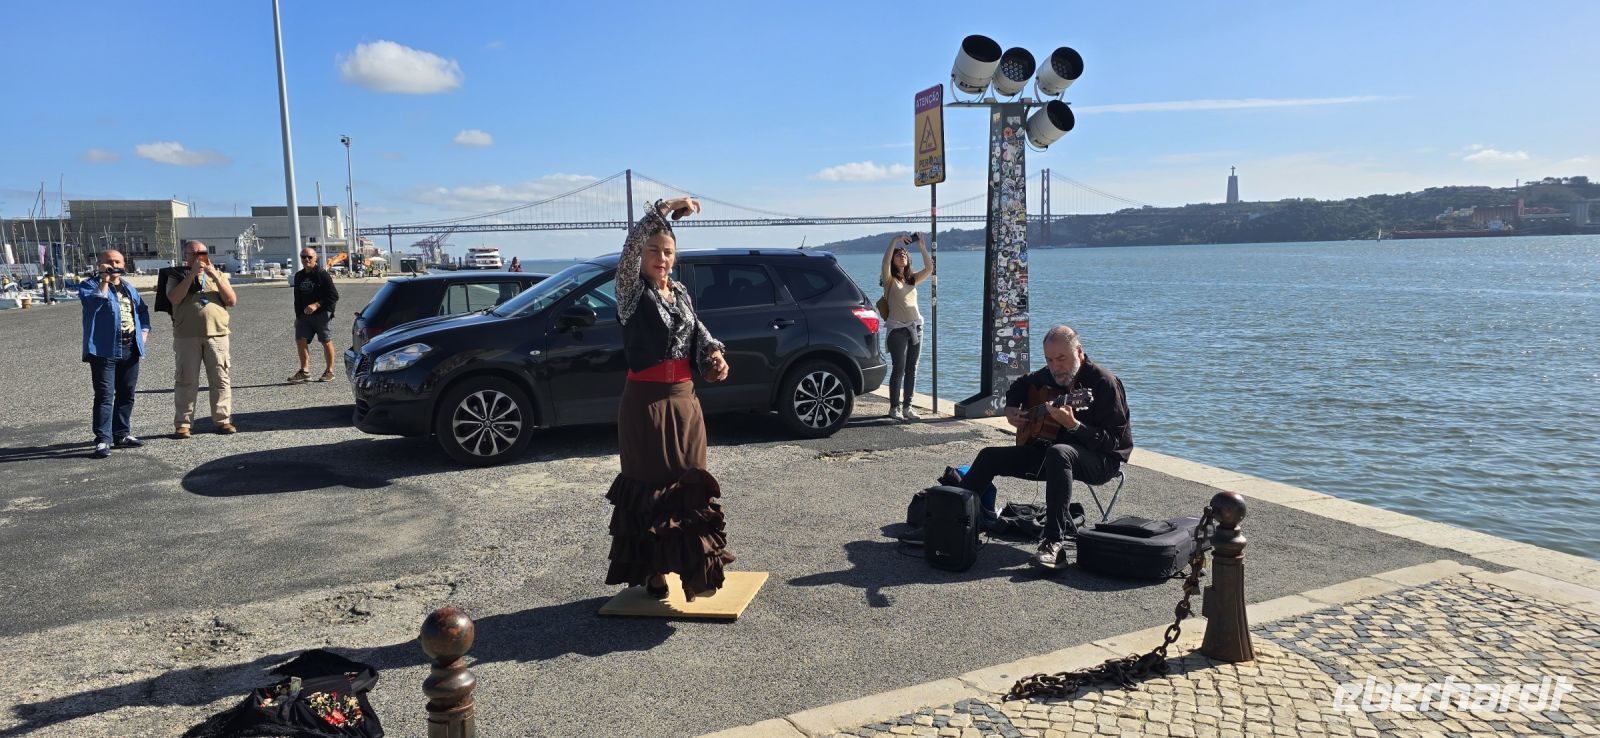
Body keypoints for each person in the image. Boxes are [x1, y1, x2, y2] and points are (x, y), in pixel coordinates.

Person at [604, 196, 735, 602]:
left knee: (687, 488)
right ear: (641, 255)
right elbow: (627, 251)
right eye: (654, 251)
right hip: (645, 404)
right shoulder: (629, 292)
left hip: (684, 401)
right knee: (650, 486)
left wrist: (715, 355)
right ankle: (654, 572)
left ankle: (691, 572)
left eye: (668, 252)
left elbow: (698, 333)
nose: (661, 258)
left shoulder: (679, 293)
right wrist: (661, 210)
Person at [957, 325, 1132, 569]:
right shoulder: (1051, 376)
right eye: (1049, 359)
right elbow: (1021, 384)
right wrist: (1011, 408)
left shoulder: (1104, 382)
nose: (1055, 366)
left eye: (1062, 358)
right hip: (1052, 455)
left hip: (1101, 460)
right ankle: (951, 525)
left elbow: (1115, 442)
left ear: (1079, 352)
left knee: (1059, 452)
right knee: (989, 456)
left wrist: (1074, 426)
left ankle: (1054, 544)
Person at [78, 249, 150, 458]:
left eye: (117, 261)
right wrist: (104, 280)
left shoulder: (128, 287)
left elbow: (142, 311)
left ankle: (122, 434)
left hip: (130, 348)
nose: (114, 264)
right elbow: (93, 303)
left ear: (123, 264)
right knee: (104, 396)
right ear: (99, 264)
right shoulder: (89, 285)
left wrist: (144, 332)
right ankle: (102, 439)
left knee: (127, 393)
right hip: (104, 350)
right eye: (108, 262)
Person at [167, 239, 239, 437]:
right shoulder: (175, 276)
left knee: (220, 379)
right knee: (186, 380)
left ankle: (223, 420)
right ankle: (183, 423)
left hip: (217, 334)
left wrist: (214, 276)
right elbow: (174, 298)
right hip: (186, 336)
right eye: (194, 254)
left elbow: (231, 300)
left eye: (203, 252)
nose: (200, 256)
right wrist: (191, 275)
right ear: (186, 257)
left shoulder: (219, 275)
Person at [880, 232, 934, 421]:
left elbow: (929, 268)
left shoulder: (912, 280)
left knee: (912, 368)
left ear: (908, 259)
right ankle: (894, 407)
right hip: (897, 329)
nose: (901, 255)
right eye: (898, 254)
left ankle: (907, 407)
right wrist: (894, 240)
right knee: (899, 368)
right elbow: (885, 263)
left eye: (904, 253)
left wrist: (921, 246)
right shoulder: (889, 281)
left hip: (916, 328)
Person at [289, 248, 340, 383]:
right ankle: (304, 371)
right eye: (303, 257)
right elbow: (297, 299)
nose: (306, 260)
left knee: (325, 340)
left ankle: (329, 371)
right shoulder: (299, 276)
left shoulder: (322, 274)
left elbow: (334, 296)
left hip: (322, 313)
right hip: (304, 315)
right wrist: (298, 317)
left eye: (309, 257)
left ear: (315, 258)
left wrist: (316, 305)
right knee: (301, 339)